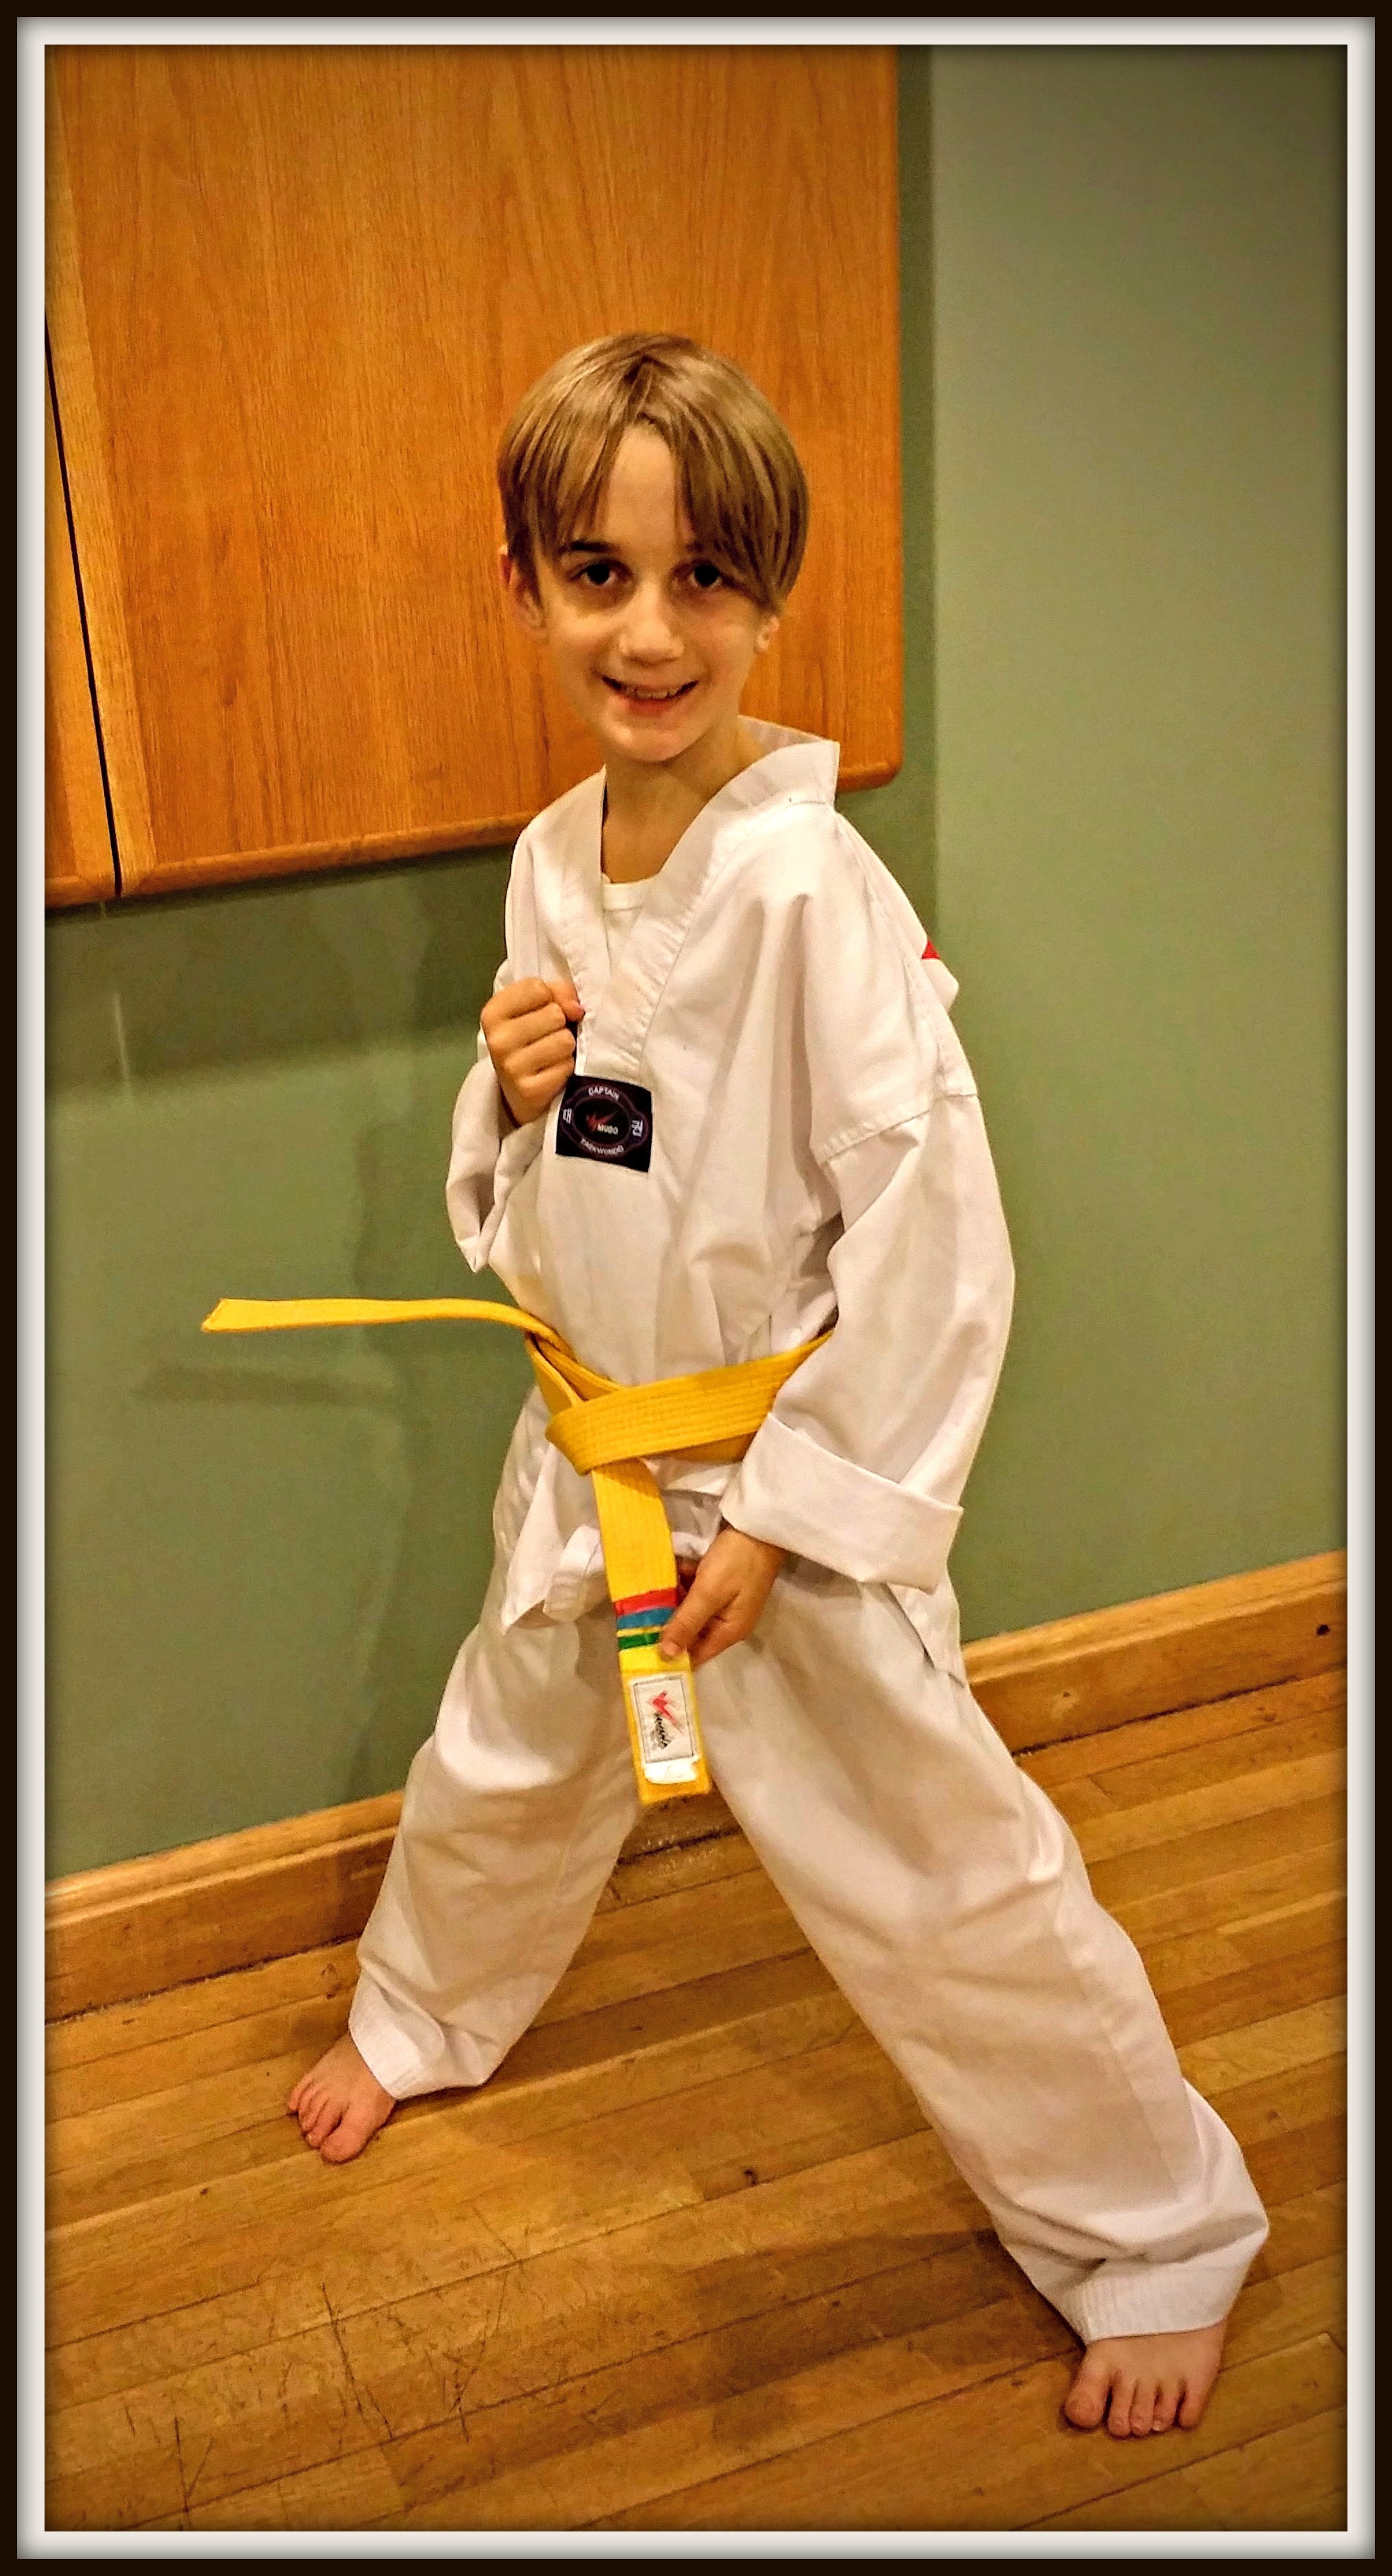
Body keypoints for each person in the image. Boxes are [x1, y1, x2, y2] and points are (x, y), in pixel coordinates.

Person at [289, 332, 1268, 2442]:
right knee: (503, 1756)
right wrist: (508, 1093)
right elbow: (577, 1172)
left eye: (704, 579)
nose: (650, 633)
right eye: (598, 574)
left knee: (940, 1872)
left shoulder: (814, 887)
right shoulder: (556, 859)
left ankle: (1156, 2233)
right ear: (524, 584)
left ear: (769, 595)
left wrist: (808, 1510)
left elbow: (935, 1229)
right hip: (590, 1450)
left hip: (772, 1492)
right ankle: (424, 2011)